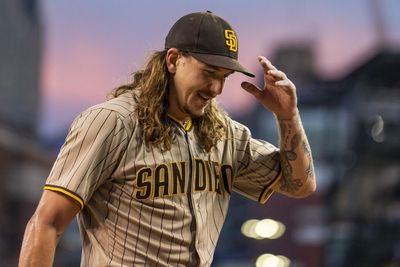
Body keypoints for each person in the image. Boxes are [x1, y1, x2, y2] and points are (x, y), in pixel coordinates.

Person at [19, 11, 316, 267]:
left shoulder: (225, 135)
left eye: (224, 77)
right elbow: (47, 223)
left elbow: (300, 185)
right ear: (173, 60)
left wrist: (288, 117)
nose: (216, 88)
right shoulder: (112, 122)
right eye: (208, 72)